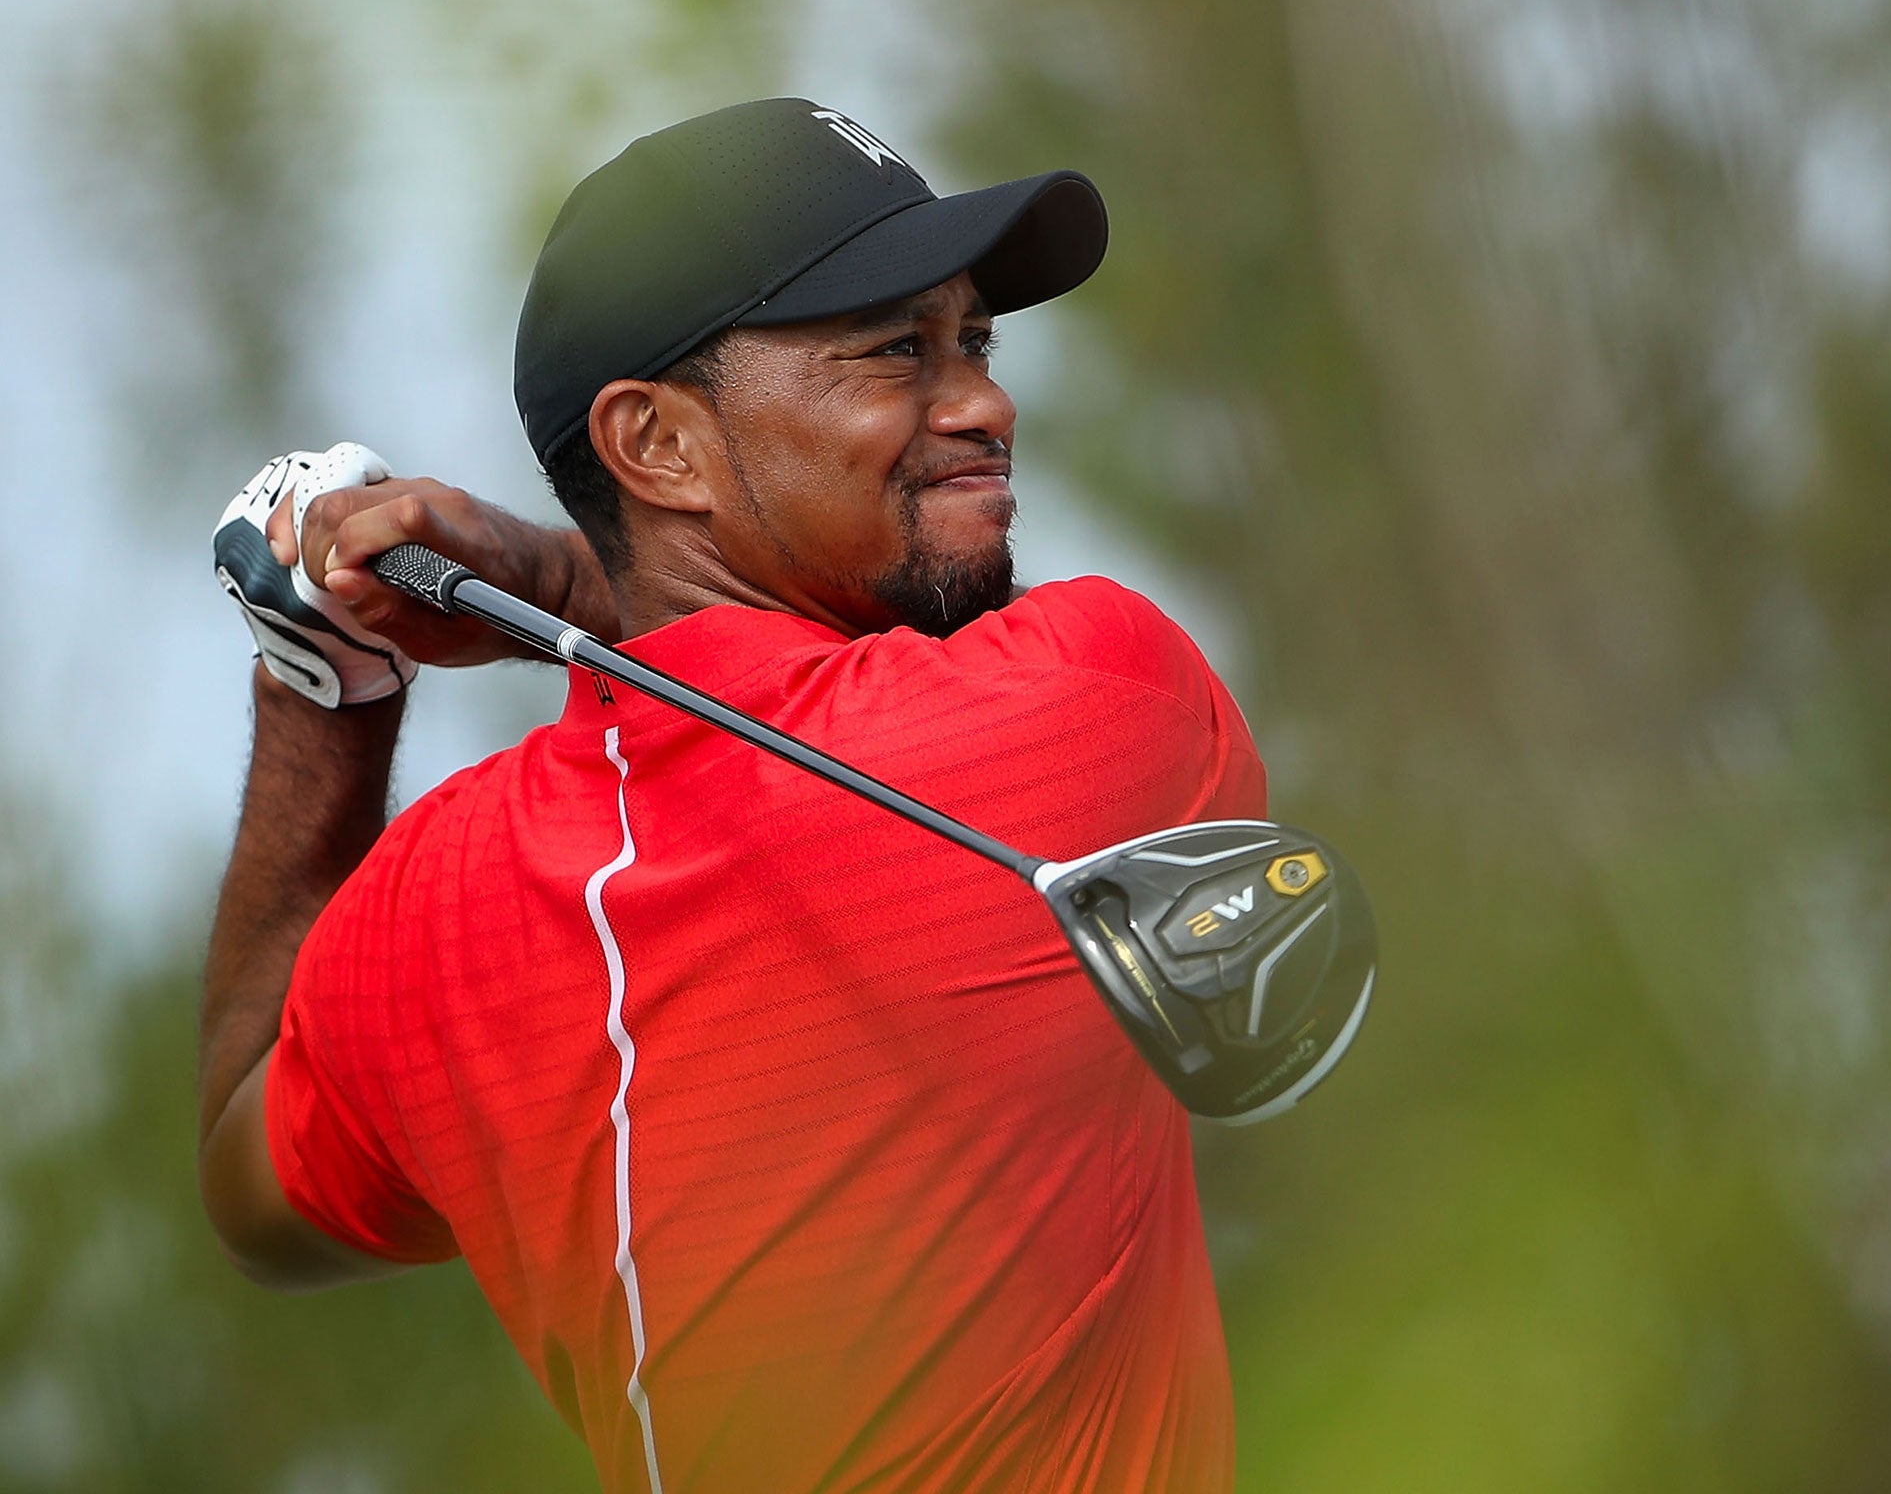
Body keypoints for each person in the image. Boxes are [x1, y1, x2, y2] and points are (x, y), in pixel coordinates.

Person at [200, 98, 1264, 1494]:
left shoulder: (438, 906)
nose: (986, 404)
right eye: (897, 350)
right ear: (659, 448)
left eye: (976, 342)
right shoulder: (1095, 696)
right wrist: (564, 585)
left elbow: (251, 1186)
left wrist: (321, 681)